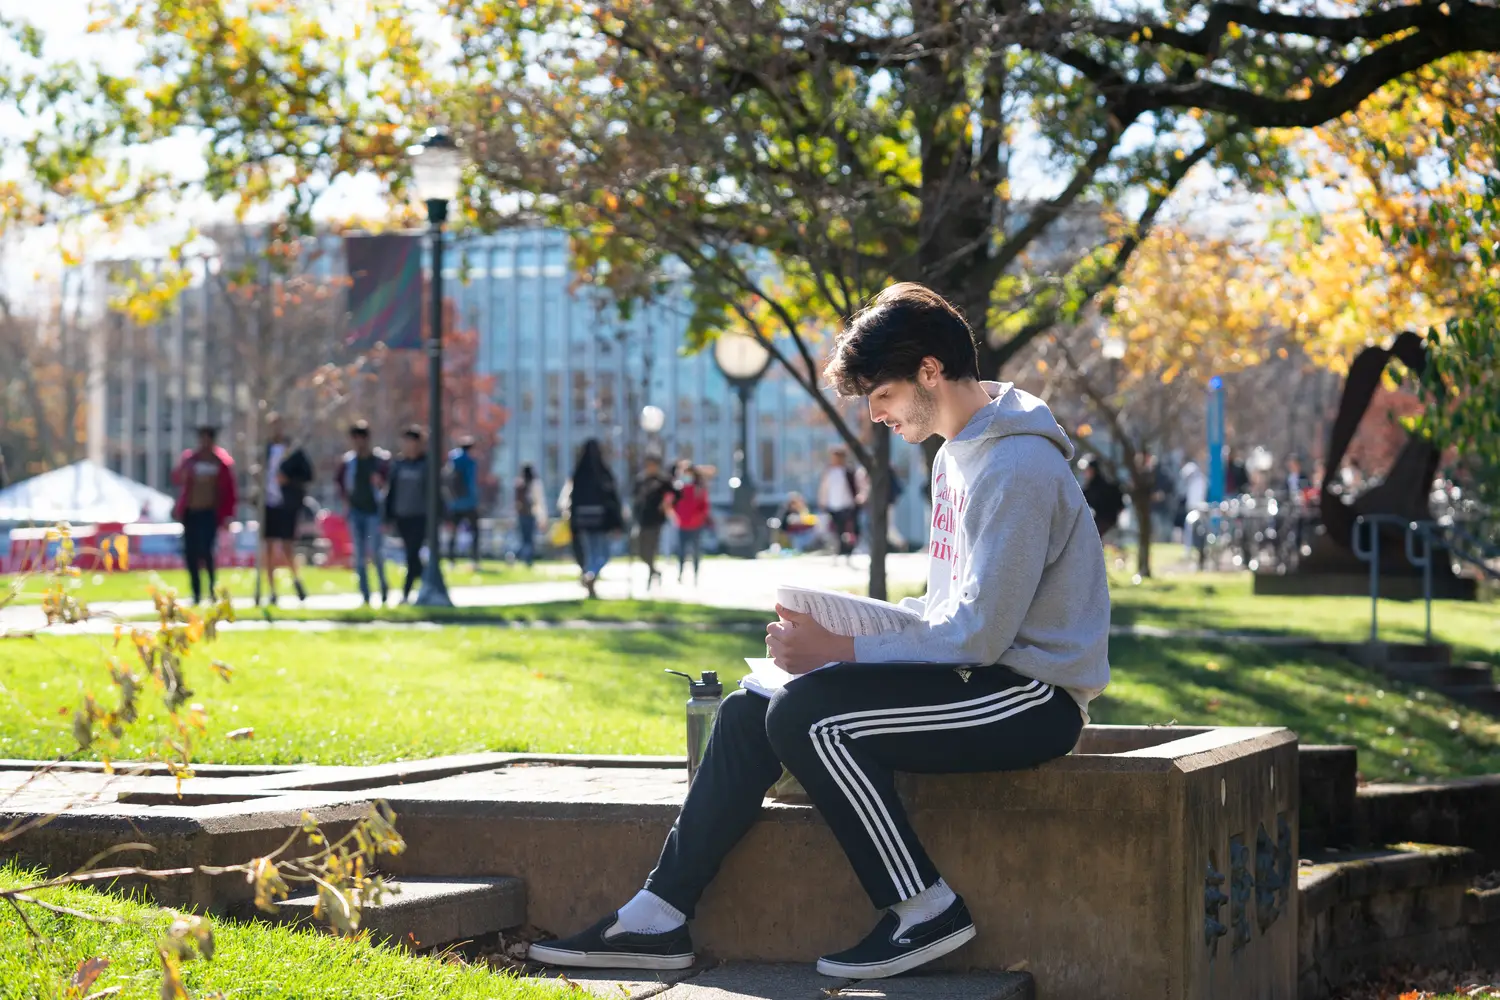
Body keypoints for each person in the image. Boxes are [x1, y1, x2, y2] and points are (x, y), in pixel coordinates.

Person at [528, 282, 1109, 980]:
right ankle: (659, 914)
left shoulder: (1016, 465)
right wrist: (849, 627)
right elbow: (950, 607)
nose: (875, 414)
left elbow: (980, 636)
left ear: (930, 370)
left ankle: (925, 908)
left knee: (812, 718)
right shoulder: (958, 454)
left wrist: (841, 650)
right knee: (751, 710)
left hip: (1029, 699)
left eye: (882, 394)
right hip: (973, 675)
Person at [171, 425, 238, 605]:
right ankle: (196, 592)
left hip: (210, 513)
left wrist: (227, 515)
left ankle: (212, 590)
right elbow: (177, 478)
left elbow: (229, 491)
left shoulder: (221, 462)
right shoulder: (190, 460)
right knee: (191, 553)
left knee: (206, 551)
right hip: (191, 513)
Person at [260, 412, 312, 606]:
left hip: (287, 504)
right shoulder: (264, 450)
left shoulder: (294, 451)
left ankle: (296, 580)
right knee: (269, 547)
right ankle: (272, 590)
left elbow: (308, 475)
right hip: (268, 503)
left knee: (288, 546)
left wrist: (288, 480)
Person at [337, 420, 390, 606]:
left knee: (376, 552)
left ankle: (384, 587)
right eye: (355, 438)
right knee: (359, 555)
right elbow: (341, 486)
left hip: (373, 512)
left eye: (362, 438)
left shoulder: (379, 461)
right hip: (355, 512)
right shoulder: (348, 462)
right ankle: (365, 594)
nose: (359, 442)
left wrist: (380, 483)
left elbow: (388, 485)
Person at [567, 438, 624, 599]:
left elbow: (574, 499)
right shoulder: (603, 473)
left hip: (584, 520)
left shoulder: (579, 474)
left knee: (591, 551)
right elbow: (612, 498)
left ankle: (589, 574)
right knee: (603, 553)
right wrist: (617, 522)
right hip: (600, 519)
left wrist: (574, 523)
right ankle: (591, 575)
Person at [385, 425, 429, 604]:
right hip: (402, 516)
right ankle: (425, 575)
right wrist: (387, 515)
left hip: (420, 515)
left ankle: (406, 591)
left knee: (412, 554)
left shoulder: (426, 464)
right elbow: (391, 490)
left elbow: (434, 492)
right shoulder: (398, 465)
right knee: (412, 555)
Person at [632, 454, 677, 590]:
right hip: (641, 519)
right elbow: (635, 496)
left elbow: (677, 494)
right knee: (640, 550)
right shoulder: (641, 479)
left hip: (656, 519)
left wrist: (667, 503)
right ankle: (654, 571)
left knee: (651, 548)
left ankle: (651, 576)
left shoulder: (663, 481)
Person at [817, 446, 860, 561]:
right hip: (833, 505)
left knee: (849, 529)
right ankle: (840, 549)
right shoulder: (829, 472)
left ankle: (849, 549)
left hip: (847, 505)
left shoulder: (848, 472)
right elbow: (824, 489)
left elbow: (855, 487)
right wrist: (822, 501)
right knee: (837, 530)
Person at [446, 435, 482, 570]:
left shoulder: (452, 460)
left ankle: (451, 560)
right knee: (475, 532)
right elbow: (471, 483)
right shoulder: (470, 462)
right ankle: (474, 559)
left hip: (454, 502)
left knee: (453, 533)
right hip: (469, 503)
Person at [672, 465, 711, 584]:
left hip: (696, 525)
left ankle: (695, 574)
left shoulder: (699, 489)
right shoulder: (679, 489)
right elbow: (673, 504)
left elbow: (704, 507)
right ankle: (680, 574)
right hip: (682, 524)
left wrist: (699, 518)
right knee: (681, 551)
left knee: (696, 551)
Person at [1081, 459, 1125, 542]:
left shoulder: (1104, 488)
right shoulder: (1088, 489)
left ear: (1093, 470)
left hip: (1105, 525)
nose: (1084, 473)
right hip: (1099, 524)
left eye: (1087, 470)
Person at [513, 463, 547, 568]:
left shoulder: (519, 483)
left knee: (524, 538)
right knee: (529, 539)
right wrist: (543, 517)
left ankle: (518, 556)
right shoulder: (535, 483)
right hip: (531, 514)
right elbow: (540, 501)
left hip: (521, 514)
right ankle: (527, 559)